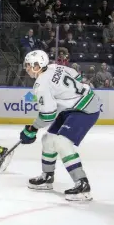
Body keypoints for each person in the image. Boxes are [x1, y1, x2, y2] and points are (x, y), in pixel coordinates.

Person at [20, 50, 100, 201]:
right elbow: (75, 74)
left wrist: (32, 129)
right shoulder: (54, 67)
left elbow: (48, 115)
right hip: (72, 108)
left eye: (30, 66)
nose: (27, 69)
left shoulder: (41, 84)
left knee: (62, 142)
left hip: (85, 109)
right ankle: (47, 177)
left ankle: (83, 184)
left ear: (38, 65)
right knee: (48, 139)